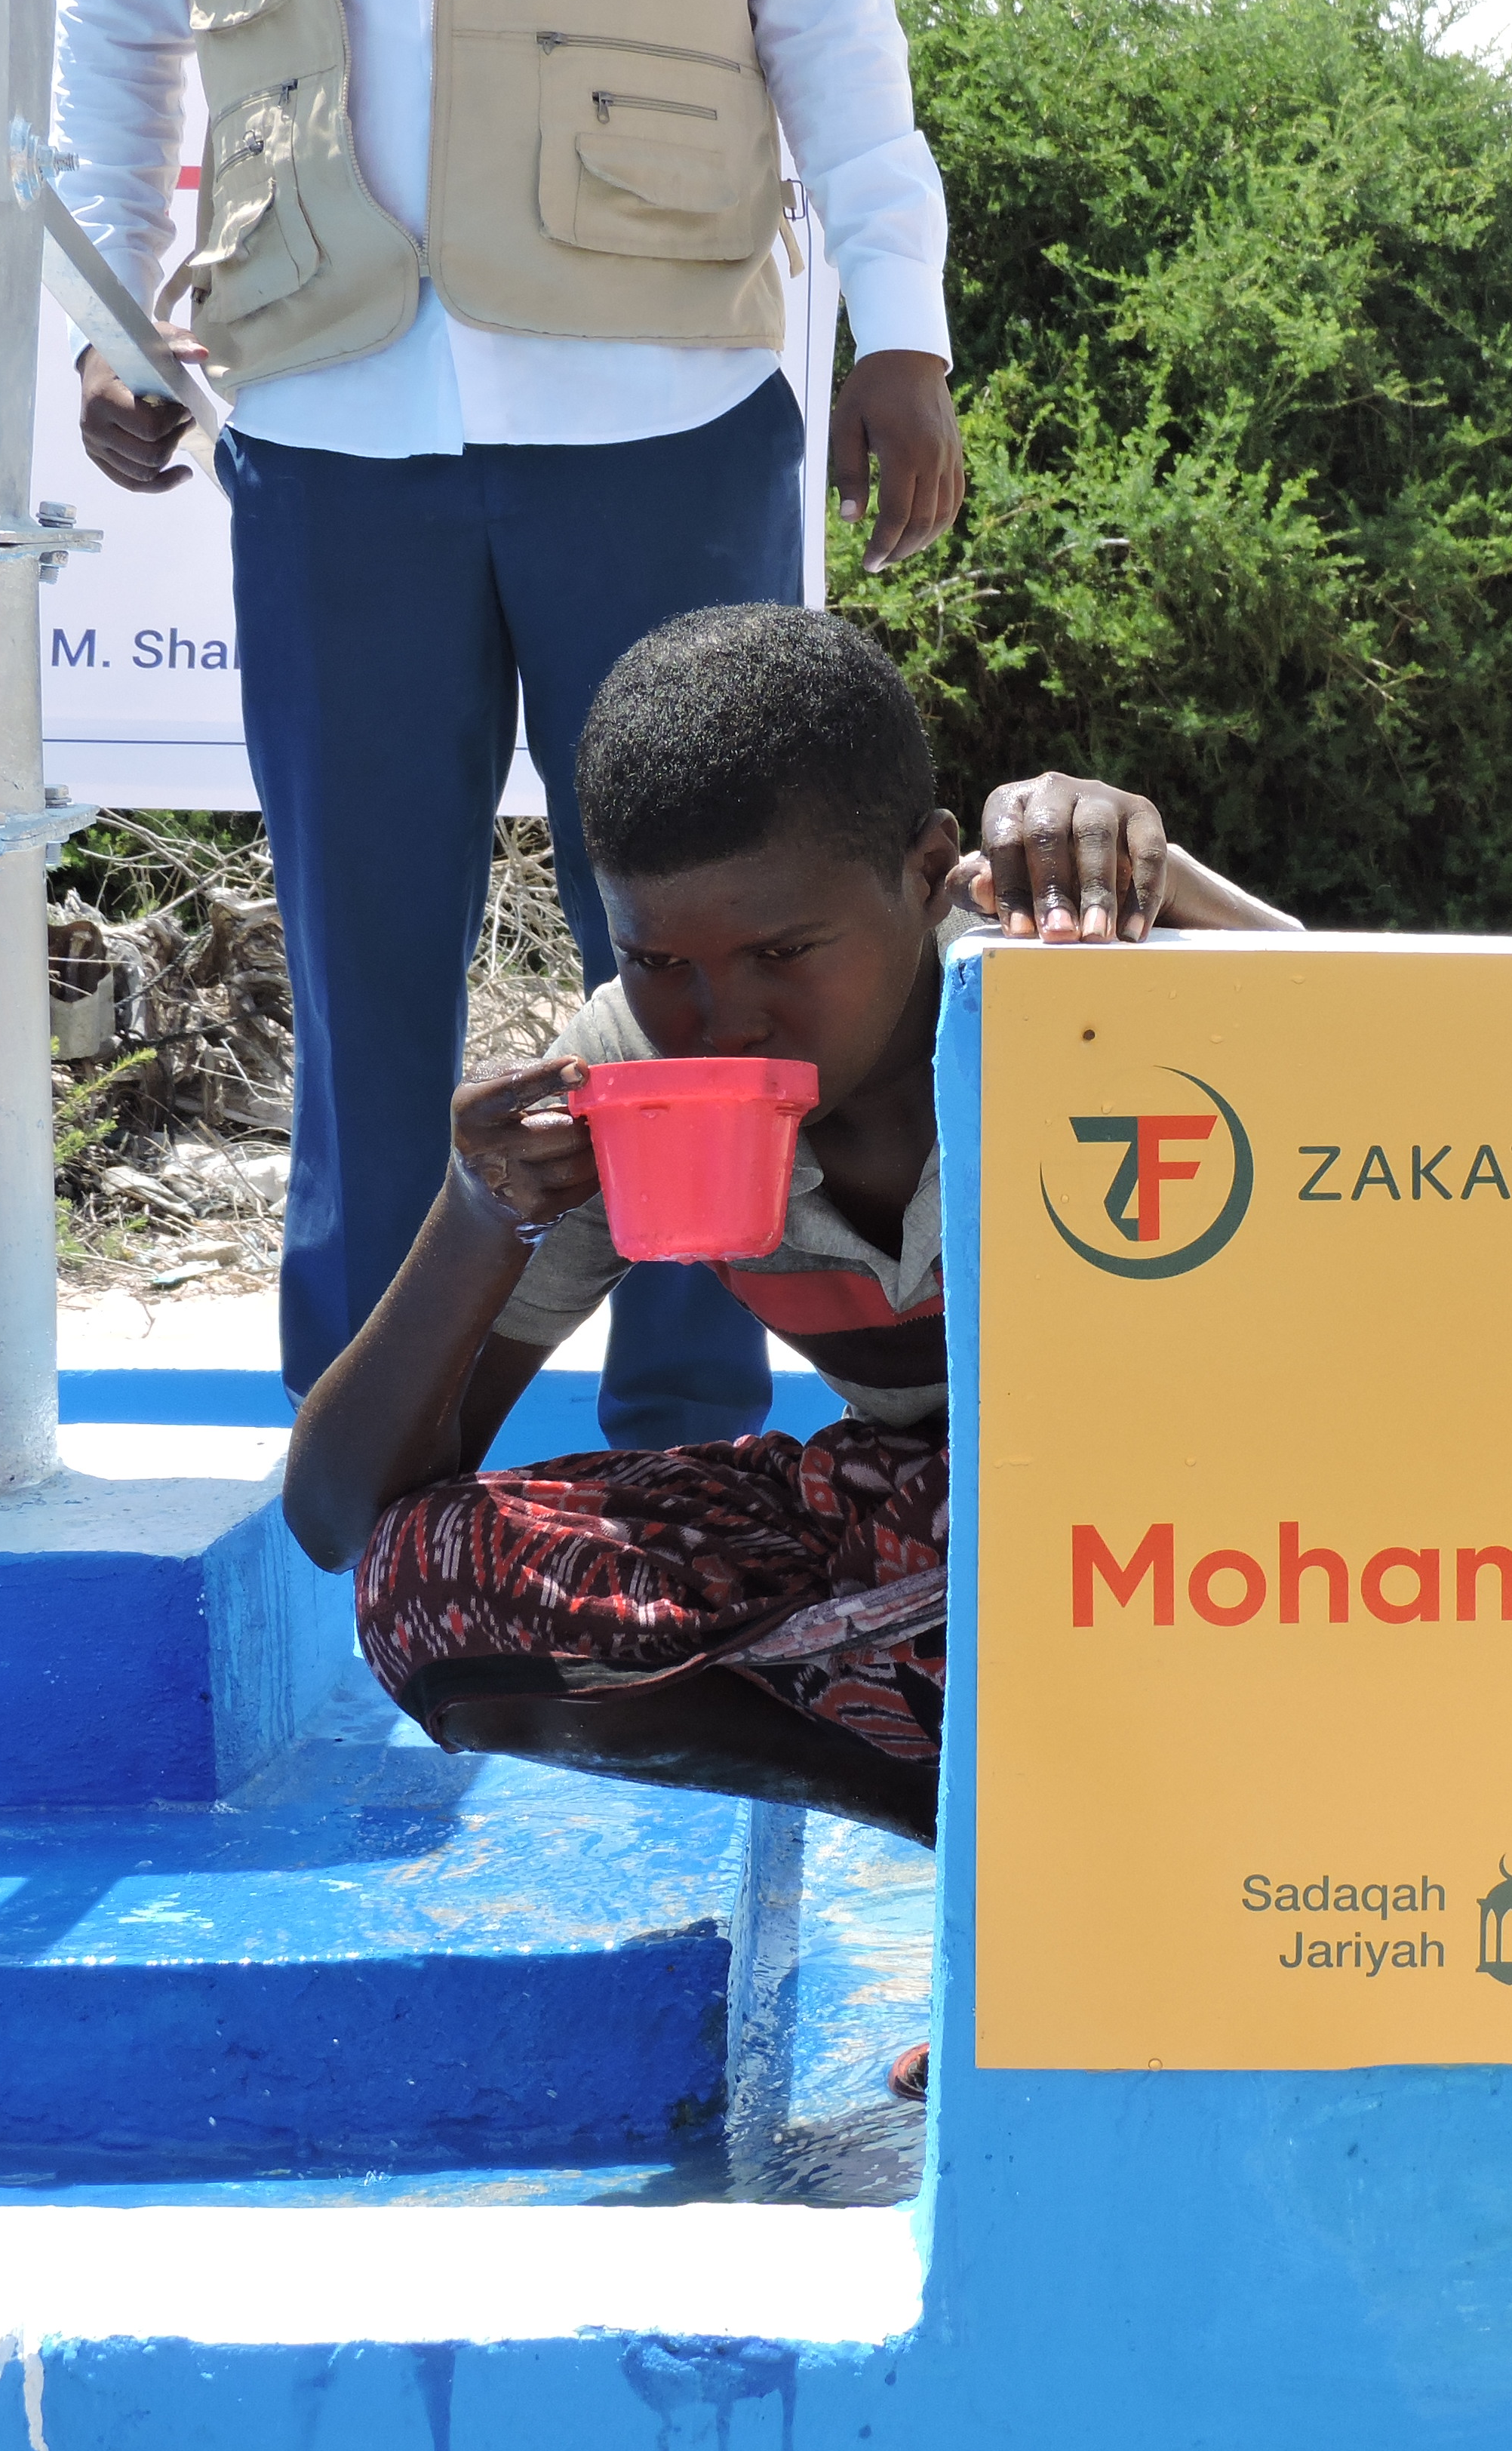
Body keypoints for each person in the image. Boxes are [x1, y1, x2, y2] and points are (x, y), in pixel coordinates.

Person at [53, 0, 967, 1432]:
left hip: (662, 410)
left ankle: (689, 1434)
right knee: (359, 965)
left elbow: (831, 28)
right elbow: (118, 40)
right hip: (324, 427)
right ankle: (365, 1443)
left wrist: (906, 333)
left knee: (707, 979)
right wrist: (108, 326)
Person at [282, 605, 1301, 1862]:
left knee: (1058, 1553)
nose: (723, 1019)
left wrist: (1181, 892)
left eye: (784, 950)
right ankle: (969, 1841)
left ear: (929, 872)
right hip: (936, 1539)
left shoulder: (1073, 985)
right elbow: (340, 1519)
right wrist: (479, 1213)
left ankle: (1090, 1829)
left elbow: (1426, 1100)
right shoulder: (630, 1076)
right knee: (428, 1582)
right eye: (660, 959)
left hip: (1215, 1550)